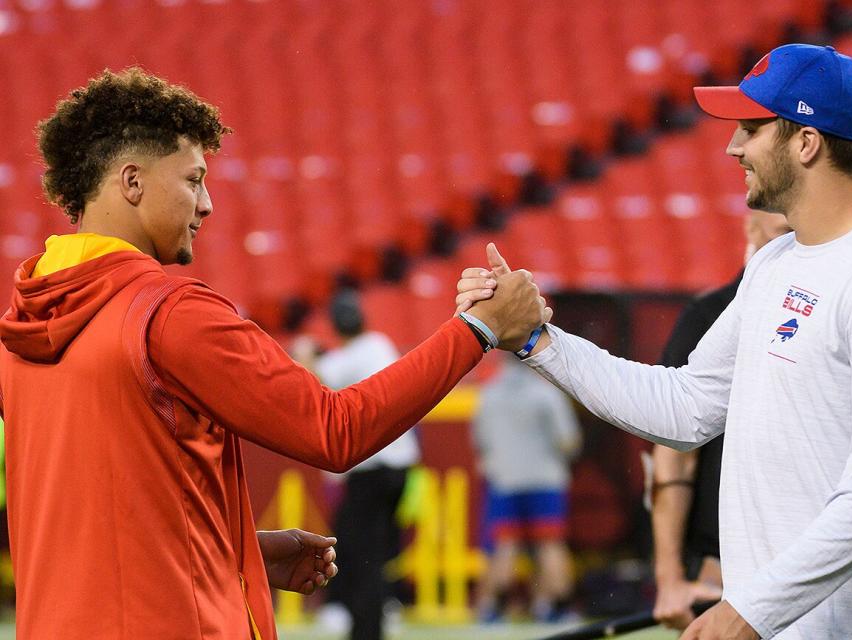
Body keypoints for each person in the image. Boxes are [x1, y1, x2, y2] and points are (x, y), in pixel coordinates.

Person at [0, 68, 548, 639]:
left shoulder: (20, 328)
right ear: (132, 182)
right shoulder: (170, 313)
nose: (207, 204)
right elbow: (336, 431)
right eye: (193, 179)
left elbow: (97, 522)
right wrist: (478, 329)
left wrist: (236, 549)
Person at [457, 44, 852, 639]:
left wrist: (750, 609)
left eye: (751, 128)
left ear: (806, 142)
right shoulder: (775, 263)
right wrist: (537, 341)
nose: (733, 148)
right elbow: (686, 406)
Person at [652, 211, 790, 631]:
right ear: (750, 227)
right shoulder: (709, 313)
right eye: (781, 228)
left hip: (815, 565)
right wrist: (670, 577)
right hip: (726, 568)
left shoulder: (843, 302)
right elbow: (674, 454)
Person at [313, 290, 421, 640]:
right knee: (374, 550)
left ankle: (366, 627)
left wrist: (305, 356)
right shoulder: (380, 344)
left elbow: (315, 380)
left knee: (362, 553)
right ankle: (375, 615)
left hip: (371, 470)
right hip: (400, 467)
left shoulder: (350, 356)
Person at [471, 353, 581, 623]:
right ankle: (555, 607)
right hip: (545, 478)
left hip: (506, 479)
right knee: (550, 544)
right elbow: (568, 441)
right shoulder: (546, 394)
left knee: (505, 544)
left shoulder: (489, 394)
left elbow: (480, 441)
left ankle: (493, 609)